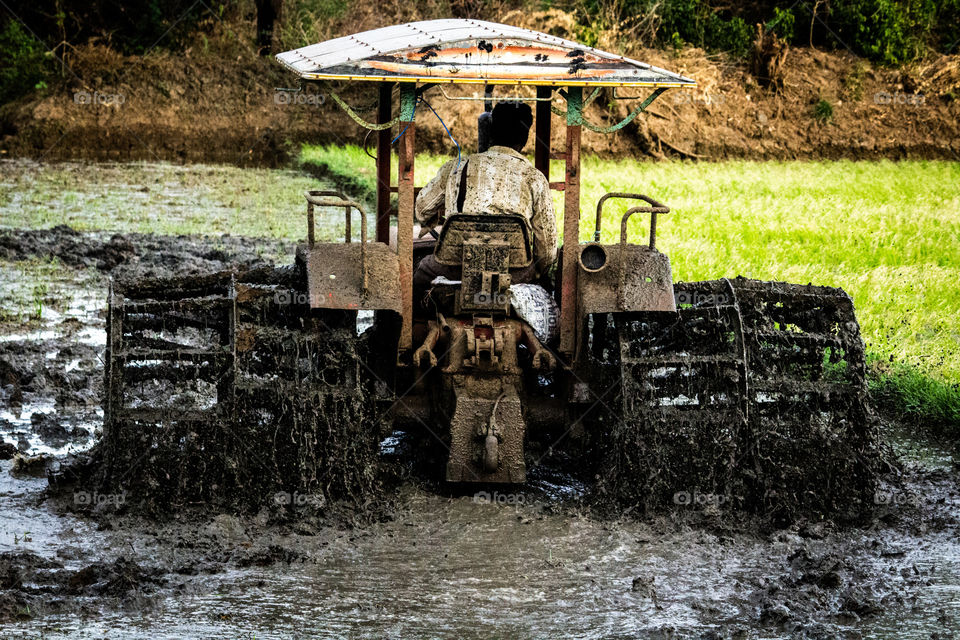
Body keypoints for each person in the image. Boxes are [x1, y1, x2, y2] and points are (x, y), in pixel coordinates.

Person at [413, 101, 558, 292]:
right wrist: (535, 273)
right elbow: (547, 249)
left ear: (490, 131)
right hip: (513, 277)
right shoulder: (535, 178)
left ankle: (408, 321)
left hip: (454, 271)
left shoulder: (456, 167)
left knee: (420, 272)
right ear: (525, 137)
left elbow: (422, 209)